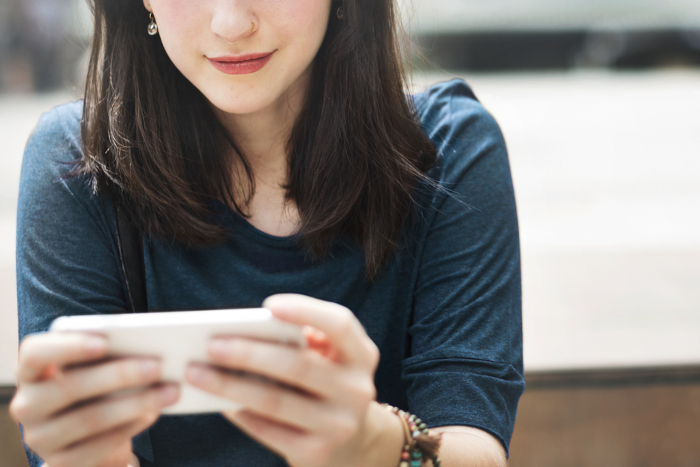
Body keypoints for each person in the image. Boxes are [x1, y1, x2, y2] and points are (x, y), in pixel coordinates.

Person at [10, 0, 525, 466]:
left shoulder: (446, 153)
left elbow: (474, 442)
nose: (232, 23)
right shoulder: (78, 166)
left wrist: (372, 445)